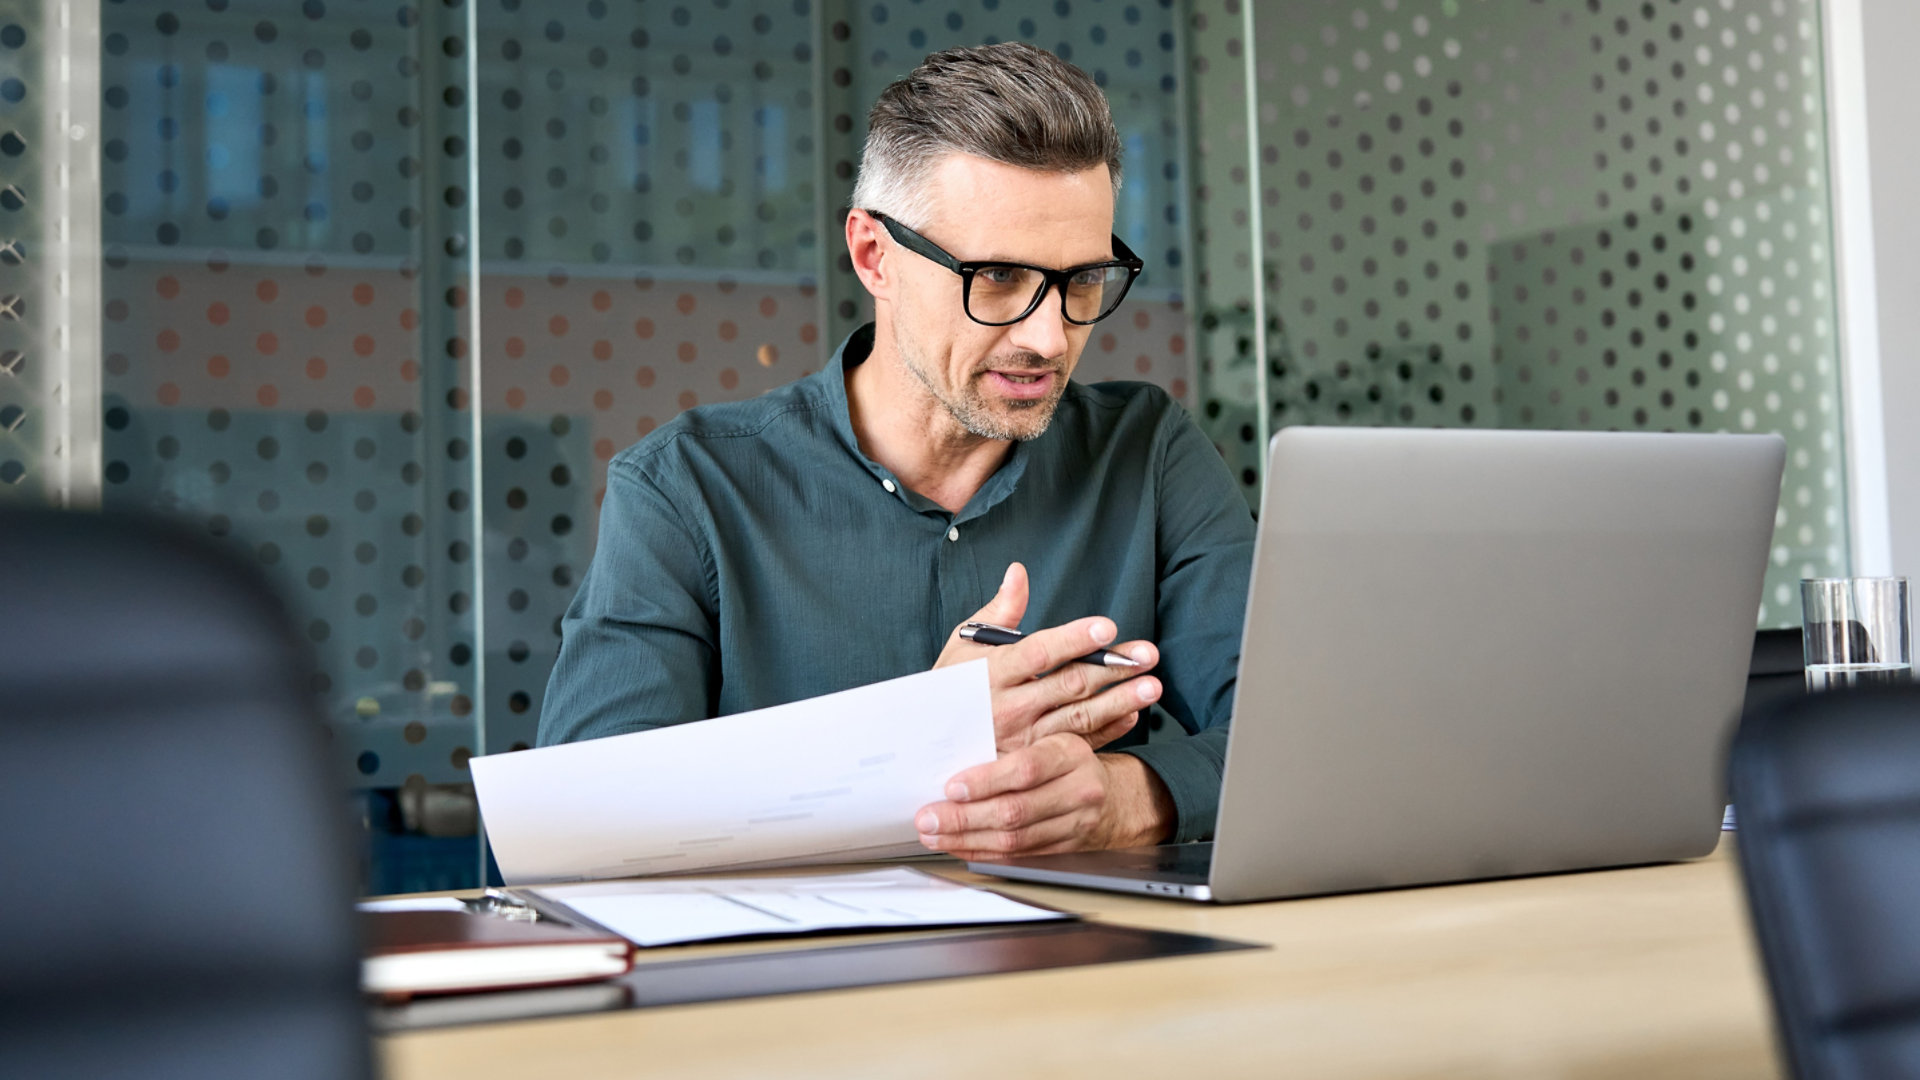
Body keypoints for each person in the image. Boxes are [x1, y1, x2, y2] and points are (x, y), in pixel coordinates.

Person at [539, 42, 1254, 857]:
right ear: (875, 256)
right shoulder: (686, 490)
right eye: (996, 278)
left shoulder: (1148, 453)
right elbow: (580, 825)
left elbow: (1303, 740)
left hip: (1092, 973)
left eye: (1083, 280)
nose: (1049, 336)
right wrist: (915, 741)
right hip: (807, 984)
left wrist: (1137, 796)